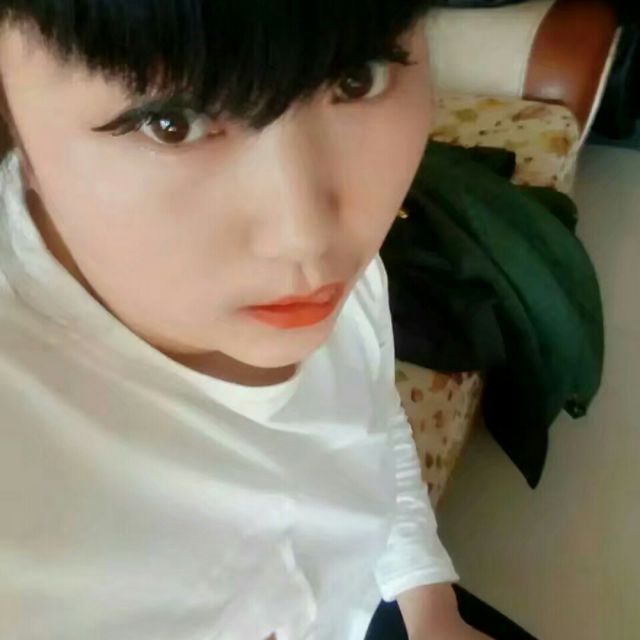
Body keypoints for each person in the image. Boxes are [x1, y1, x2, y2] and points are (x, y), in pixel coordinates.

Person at [0, 2, 492, 639]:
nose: (305, 236)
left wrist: (428, 600)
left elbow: (367, 419)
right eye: (172, 123)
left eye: (357, 78)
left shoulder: (330, 273)